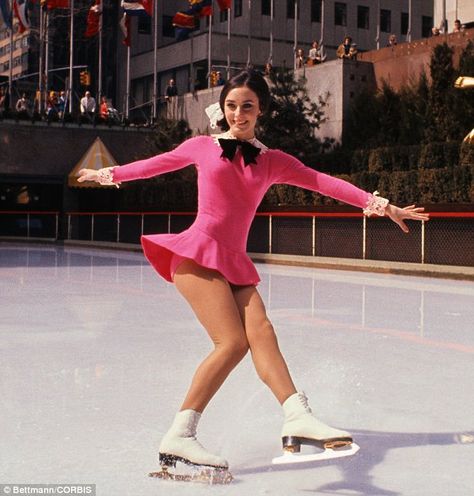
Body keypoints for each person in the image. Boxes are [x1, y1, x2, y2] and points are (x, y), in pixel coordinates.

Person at [77, 69, 429, 482]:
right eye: (231, 106)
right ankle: (180, 434)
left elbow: (324, 183)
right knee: (231, 343)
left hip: (234, 260)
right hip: (197, 253)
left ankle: (297, 415)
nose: (238, 114)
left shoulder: (273, 161)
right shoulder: (202, 147)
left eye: (247, 106)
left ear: (261, 109)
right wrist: (106, 174)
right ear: (222, 110)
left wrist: (382, 205)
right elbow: (155, 165)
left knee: (262, 331)